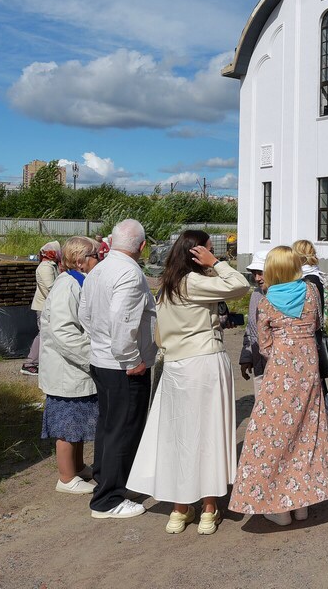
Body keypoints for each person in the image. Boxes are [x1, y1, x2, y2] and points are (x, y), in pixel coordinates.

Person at [127, 230, 249, 535]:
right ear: (197, 254)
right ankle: (209, 508)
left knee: (178, 435)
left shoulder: (167, 285)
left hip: (176, 365)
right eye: (207, 250)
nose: (211, 254)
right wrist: (217, 262)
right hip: (204, 361)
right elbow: (239, 286)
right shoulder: (193, 281)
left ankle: (179, 509)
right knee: (208, 433)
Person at [228, 246, 328, 525]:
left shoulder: (266, 301)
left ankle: (278, 506)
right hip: (309, 369)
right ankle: (301, 503)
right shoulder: (311, 293)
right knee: (306, 433)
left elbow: (263, 346)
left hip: (281, 371)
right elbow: (316, 324)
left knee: (271, 435)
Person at [78, 218, 156, 520]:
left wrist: (100, 342)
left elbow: (84, 312)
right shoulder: (129, 273)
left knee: (109, 426)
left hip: (102, 359)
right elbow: (122, 320)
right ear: (143, 246)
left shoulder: (100, 268)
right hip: (124, 365)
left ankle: (110, 480)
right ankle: (107, 500)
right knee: (124, 428)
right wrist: (131, 357)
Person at [38, 236, 101, 495]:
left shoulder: (78, 281)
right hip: (68, 369)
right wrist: (92, 356)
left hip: (75, 369)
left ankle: (77, 467)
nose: (99, 259)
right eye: (95, 255)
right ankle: (65, 478)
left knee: (79, 422)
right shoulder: (67, 286)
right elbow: (64, 331)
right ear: (80, 259)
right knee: (66, 426)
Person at [292, 238, 328, 459]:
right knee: (320, 389)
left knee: (319, 389)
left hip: (309, 339)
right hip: (314, 336)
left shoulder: (307, 280)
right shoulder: (315, 275)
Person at [22, 240, 62, 376]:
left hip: (48, 306)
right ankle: (30, 363)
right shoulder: (45, 267)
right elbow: (51, 288)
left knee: (46, 334)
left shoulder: (51, 266)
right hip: (44, 307)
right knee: (43, 335)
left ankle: (38, 362)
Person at [238, 250, 269, 383]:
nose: (257, 278)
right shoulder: (256, 294)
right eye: (254, 273)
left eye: (261, 273)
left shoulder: (286, 297)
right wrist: (247, 357)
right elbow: (251, 329)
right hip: (259, 366)